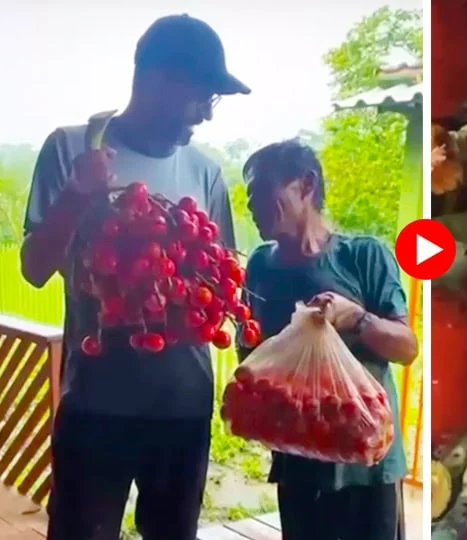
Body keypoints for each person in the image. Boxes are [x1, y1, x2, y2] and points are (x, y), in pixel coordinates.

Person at [19, 14, 249, 540]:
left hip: (184, 407)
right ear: (156, 79)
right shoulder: (73, 148)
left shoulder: (206, 171)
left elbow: (223, 279)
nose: (207, 116)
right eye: (202, 97)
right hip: (97, 404)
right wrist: (80, 193)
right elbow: (33, 269)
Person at [237, 139, 419, 540]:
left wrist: (355, 317)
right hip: (297, 461)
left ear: (305, 185)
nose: (251, 205)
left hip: (367, 462)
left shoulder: (364, 255)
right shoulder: (260, 266)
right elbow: (249, 353)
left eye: (260, 190)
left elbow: (406, 348)